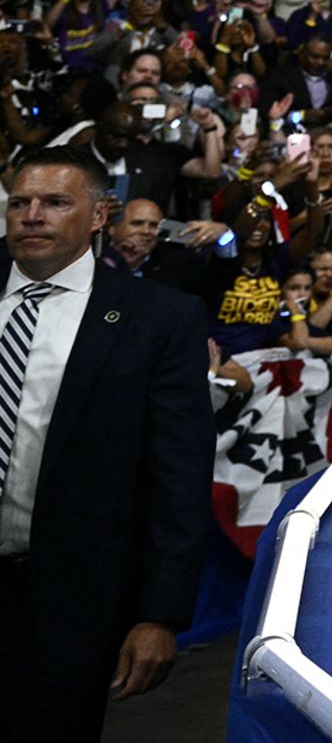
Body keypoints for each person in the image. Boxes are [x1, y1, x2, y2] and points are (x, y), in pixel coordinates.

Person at [0, 151, 212, 740]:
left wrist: (160, 615)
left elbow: (180, 474)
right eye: (20, 203)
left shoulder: (158, 319)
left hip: (61, 604)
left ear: (99, 216)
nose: (32, 216)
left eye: (54, 203)